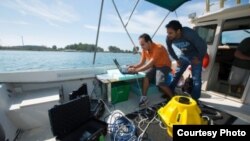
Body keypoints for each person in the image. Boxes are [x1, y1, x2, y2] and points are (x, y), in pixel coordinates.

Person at [165, 20, 207, 100]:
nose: (168, 35)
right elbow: (170, 49)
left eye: (170, 33)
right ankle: (169, 92)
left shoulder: (189, 33)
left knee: (196, 79)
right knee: (177, 74)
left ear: (178, 31)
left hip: (196, 54)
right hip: (184, 54)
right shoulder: (169, 38)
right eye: (167, 33)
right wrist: (177, 59)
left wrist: (199, 58)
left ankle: (194, 99)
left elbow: (202, 46)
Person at [128, 33, 173, 106]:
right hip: (155, 66)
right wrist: (133, 66)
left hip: (164, 66)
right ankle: (144, 97)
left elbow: (150, 64)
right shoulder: (144, 50)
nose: (141, 47)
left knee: (159, 83)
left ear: (149, 42)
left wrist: (136, 70)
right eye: (140, 45)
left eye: (143, 44)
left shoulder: (158, 48)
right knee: (146, 76)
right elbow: (141, 63)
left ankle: (173, 98)